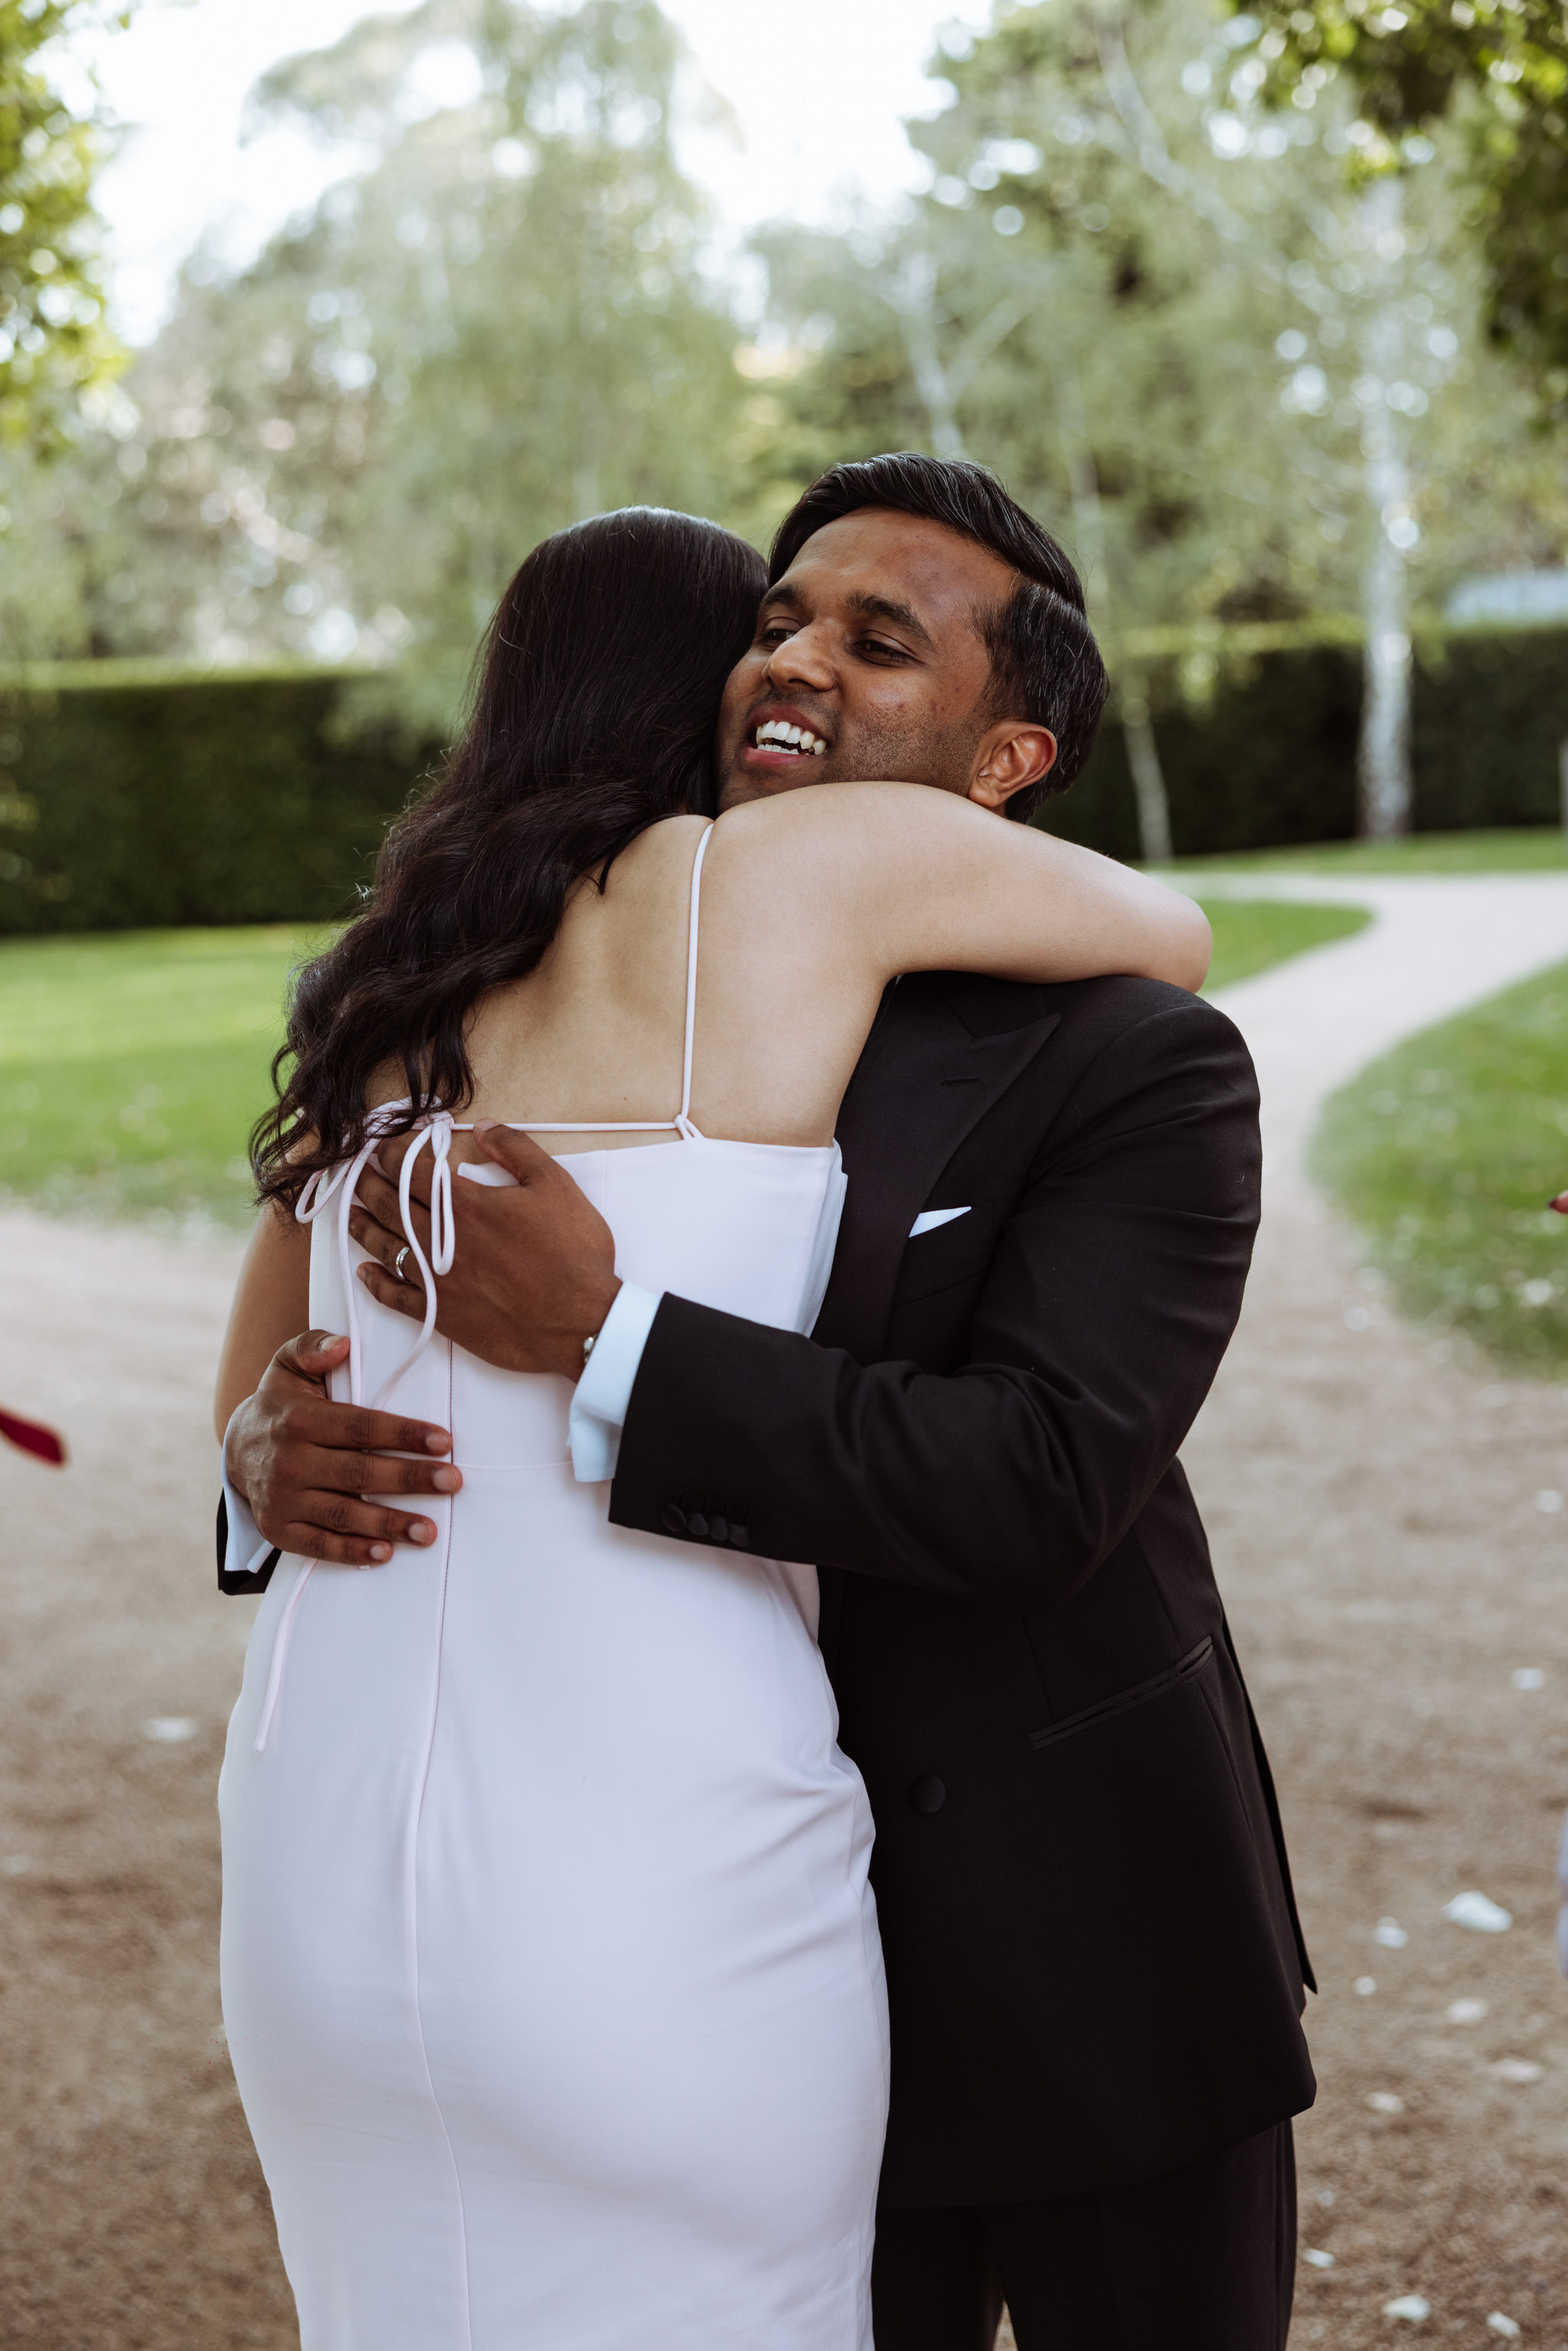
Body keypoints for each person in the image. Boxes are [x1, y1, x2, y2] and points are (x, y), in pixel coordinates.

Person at [214, 486, 1214, 2351]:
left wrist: (253, 1461)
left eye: (861, 640)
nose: (795, 666)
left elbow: (255, 1391)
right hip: (652, 1852)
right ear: (693, 686)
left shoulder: (389, 989)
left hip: (313, 1856)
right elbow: (1173, 925)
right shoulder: (792, 883)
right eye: (768, 628)